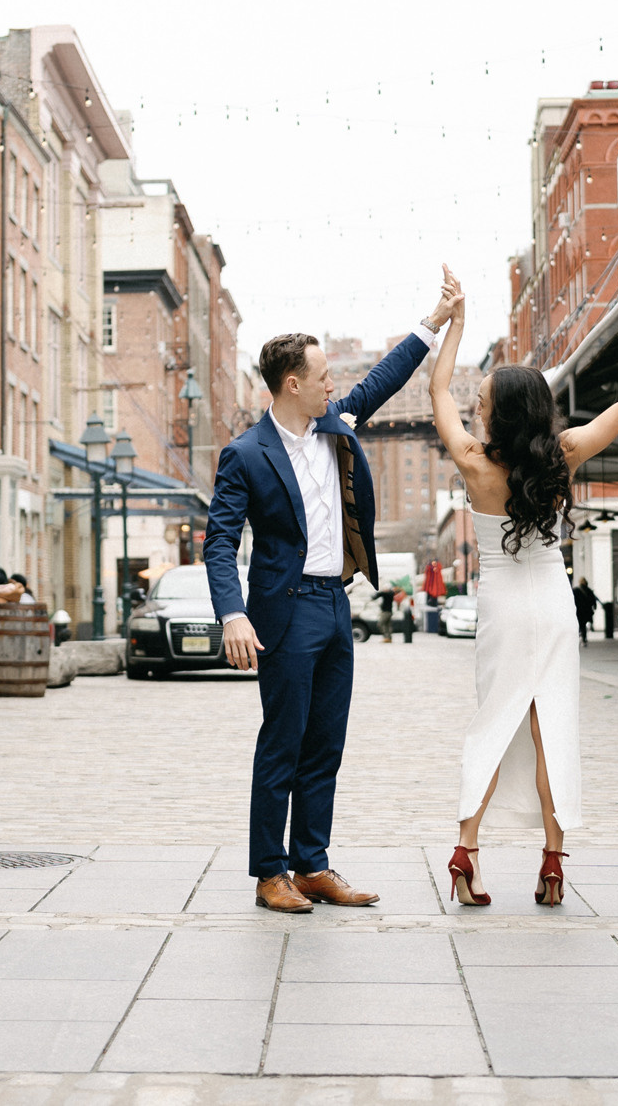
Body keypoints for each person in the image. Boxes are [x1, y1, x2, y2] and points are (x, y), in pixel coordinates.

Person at [426, 271, 618, 908]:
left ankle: (466, 853)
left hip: (504, 610)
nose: (476, 407)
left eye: (482, 400)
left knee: (492, 724)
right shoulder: (562, 454)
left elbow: (436, 386)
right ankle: (552, 863)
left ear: (497, 413)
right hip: (552, 604)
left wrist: (456, 323)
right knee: (553, 729)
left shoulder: (472, 460)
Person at [206, 266, 463, 914]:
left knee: (326, 742)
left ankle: (312, 863)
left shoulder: (336, 422)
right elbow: (218, 540)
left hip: (334, 604)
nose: (333, 384)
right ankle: (270, 873)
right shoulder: (246, 453)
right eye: (322, 376)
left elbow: (384, 376)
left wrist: (434, 318)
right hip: (282, 612)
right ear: (292, 384)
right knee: (282, 742)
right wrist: (232, 612)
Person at [571, 578, 597, 647]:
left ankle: (580, 636)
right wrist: (594, 606)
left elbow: (573, 601)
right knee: (583, 625)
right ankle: (584, 637)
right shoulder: (588, 590)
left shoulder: (576, 590)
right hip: (586, 611)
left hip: (579, 611)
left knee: (580, 625)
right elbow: (593, 600)